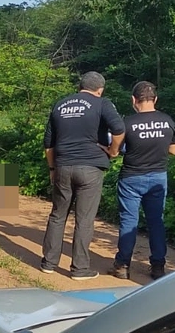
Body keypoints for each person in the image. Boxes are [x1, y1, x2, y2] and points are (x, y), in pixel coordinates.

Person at [40, 71, 125, 279]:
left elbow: (48, 144)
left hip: (63, 166)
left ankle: (48, 263)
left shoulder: (60, 105)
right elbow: (119, 128)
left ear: (80, 86)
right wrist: (113, 152)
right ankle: (79, 269)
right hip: (91, 168)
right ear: (100, 89)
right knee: (84, 219)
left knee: (58, 215)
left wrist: (52, 169)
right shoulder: (102, 103)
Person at [111, 81, 175, 281]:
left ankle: (122, 265)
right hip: (158, 177)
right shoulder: (167, 121)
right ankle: (158, 266)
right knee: (156, 222)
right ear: (155, 99)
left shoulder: (127, 123)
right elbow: (174, 150)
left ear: (134, 100)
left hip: (131, 177)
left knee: (129, 221)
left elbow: (115, 151)